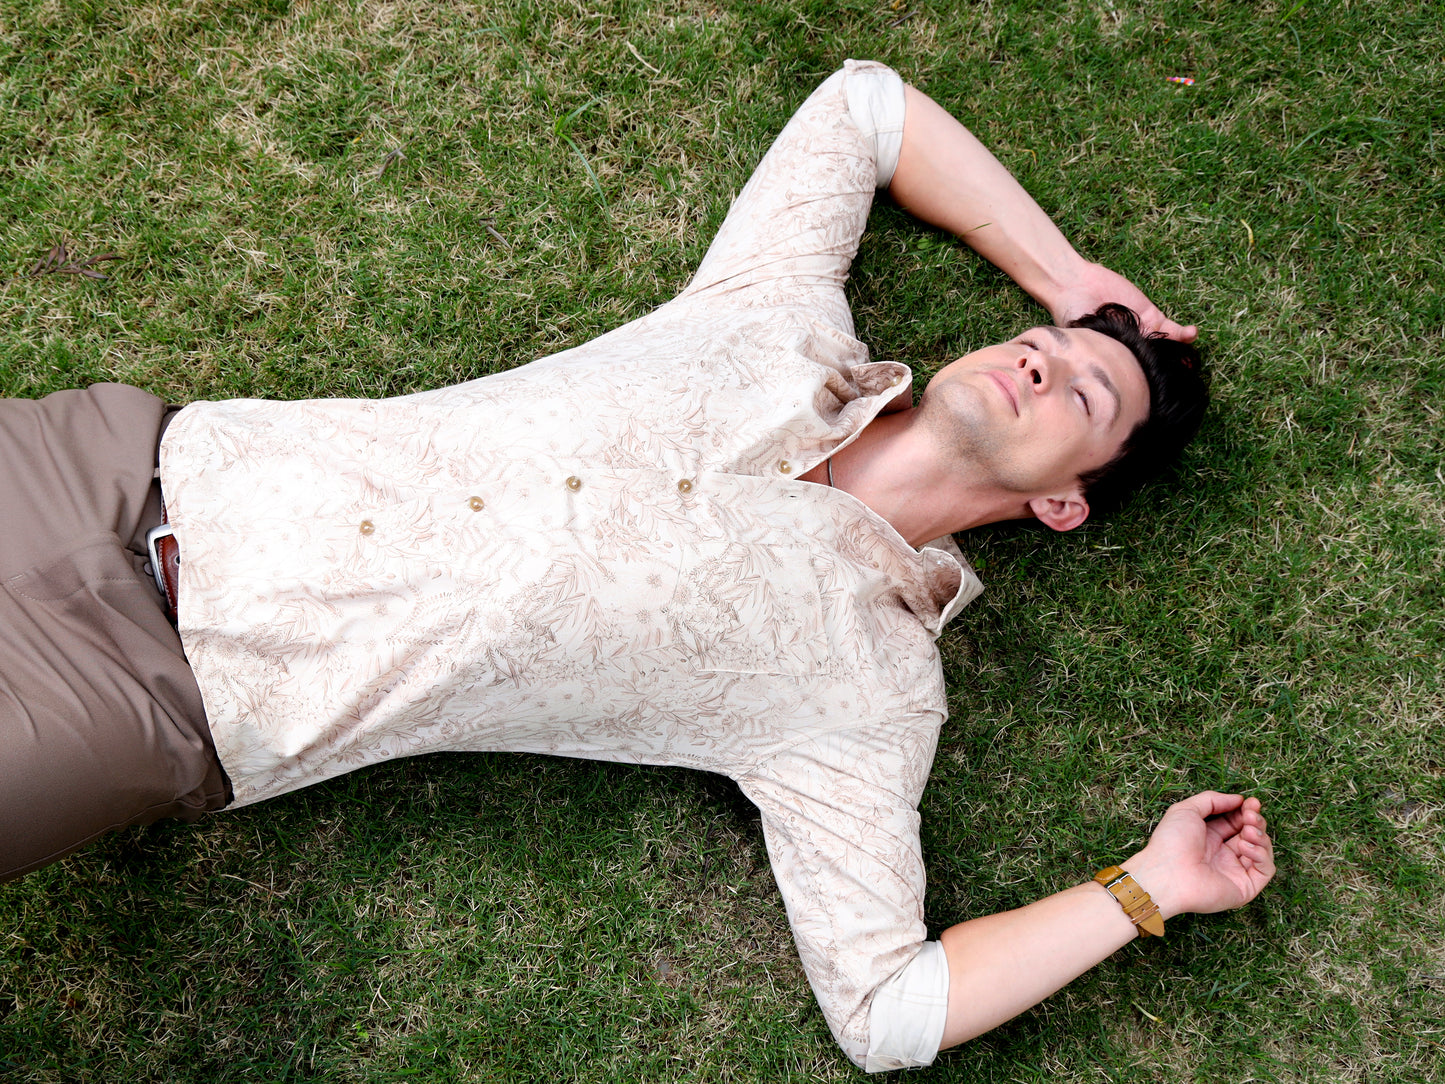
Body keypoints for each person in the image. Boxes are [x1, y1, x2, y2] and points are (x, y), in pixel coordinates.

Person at [0, 61, 1273, 1070]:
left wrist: (1144, 886)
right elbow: (865, 107)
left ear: (1062, 500)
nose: (1041, 357)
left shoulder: (867, 698)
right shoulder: (774, 315)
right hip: (117, 463)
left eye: (1085, 390)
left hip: (153, 703)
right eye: (1039, 340)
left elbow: (889, 1008)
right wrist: (1072, 278)